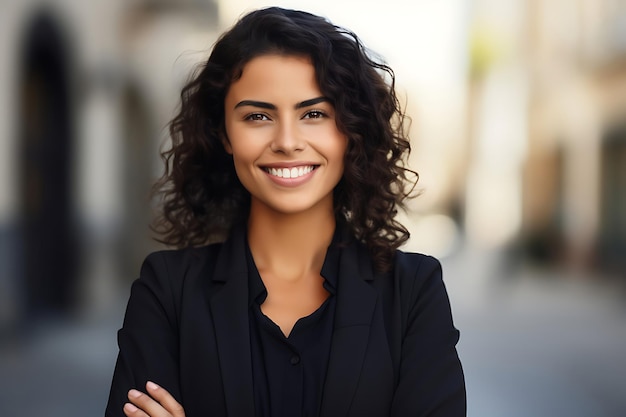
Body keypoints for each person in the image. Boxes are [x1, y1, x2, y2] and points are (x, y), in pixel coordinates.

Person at [105, 6, 465, 417]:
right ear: (224, 134)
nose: (287, 141)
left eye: (314, 114)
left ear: (350, 129)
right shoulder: (168, 290)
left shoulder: (413, 292)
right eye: (258, 116)